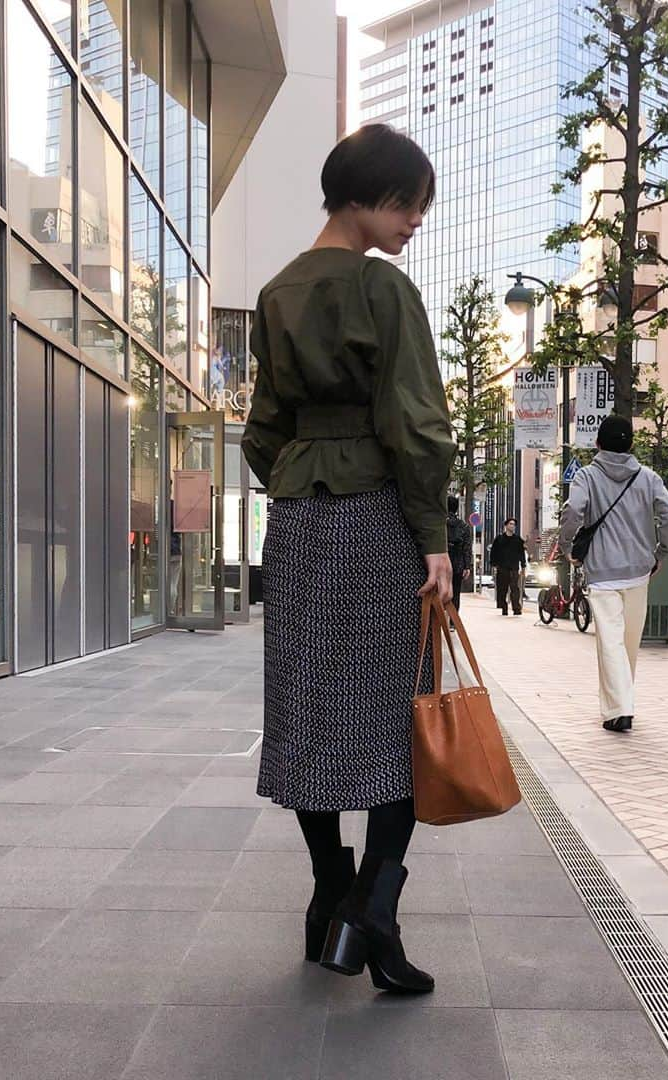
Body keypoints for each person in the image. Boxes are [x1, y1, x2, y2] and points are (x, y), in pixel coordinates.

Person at [242, 123, 455, 994]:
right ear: (368, 196)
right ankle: (375, 908)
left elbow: (262, 430)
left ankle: (329, 892)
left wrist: (297, 476)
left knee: (312, 715)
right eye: (407, 203)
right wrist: (435, 539)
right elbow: (417, 424)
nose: (412, 221)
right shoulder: (382, 289)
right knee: (400, 719)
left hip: (297, 523)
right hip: (377, 521)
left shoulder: (277, 292)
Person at [559, 415, 668, 733]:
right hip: (640, 571)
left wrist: (566, 543)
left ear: (597, 444)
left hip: (603, 573)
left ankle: (620, 707)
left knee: (610, 642)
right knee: (628, 643)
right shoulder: (648, 477)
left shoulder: (586, 477)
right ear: (631, 445)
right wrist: (662, 552)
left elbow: (573, 511)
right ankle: (620, 705)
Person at [490, 517, 527, 615]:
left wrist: (523, 566)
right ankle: (504, 607)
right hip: (502, 567)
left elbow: (521, 554)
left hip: (514, 567)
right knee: (502, 589)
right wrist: (494, 565)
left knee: (515, 589)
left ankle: (516, 608)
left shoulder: (518, 540)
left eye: (514, 524)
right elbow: (493, 552)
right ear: (506, 526)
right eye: (510, 524)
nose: (512, 526)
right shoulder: (499, 539)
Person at [446, 495, 472, 610]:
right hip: (458, 563)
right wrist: (467, 566)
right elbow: (466, 548)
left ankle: (440, 620)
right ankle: (453, 621)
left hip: (443, 559)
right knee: (456, 592)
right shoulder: (464, 526)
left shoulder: (440, 524)